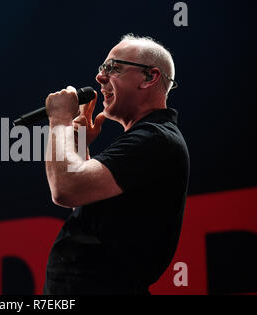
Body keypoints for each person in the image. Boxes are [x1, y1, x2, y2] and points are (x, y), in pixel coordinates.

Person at [43, 34, 190, 294]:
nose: (100, 77)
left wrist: (59, 122)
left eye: (113, 68)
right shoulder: (148, 138)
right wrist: (78, 144)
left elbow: (65, 189)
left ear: (149, 77)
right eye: (102, 68)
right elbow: (87, 199)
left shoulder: (155, 139)